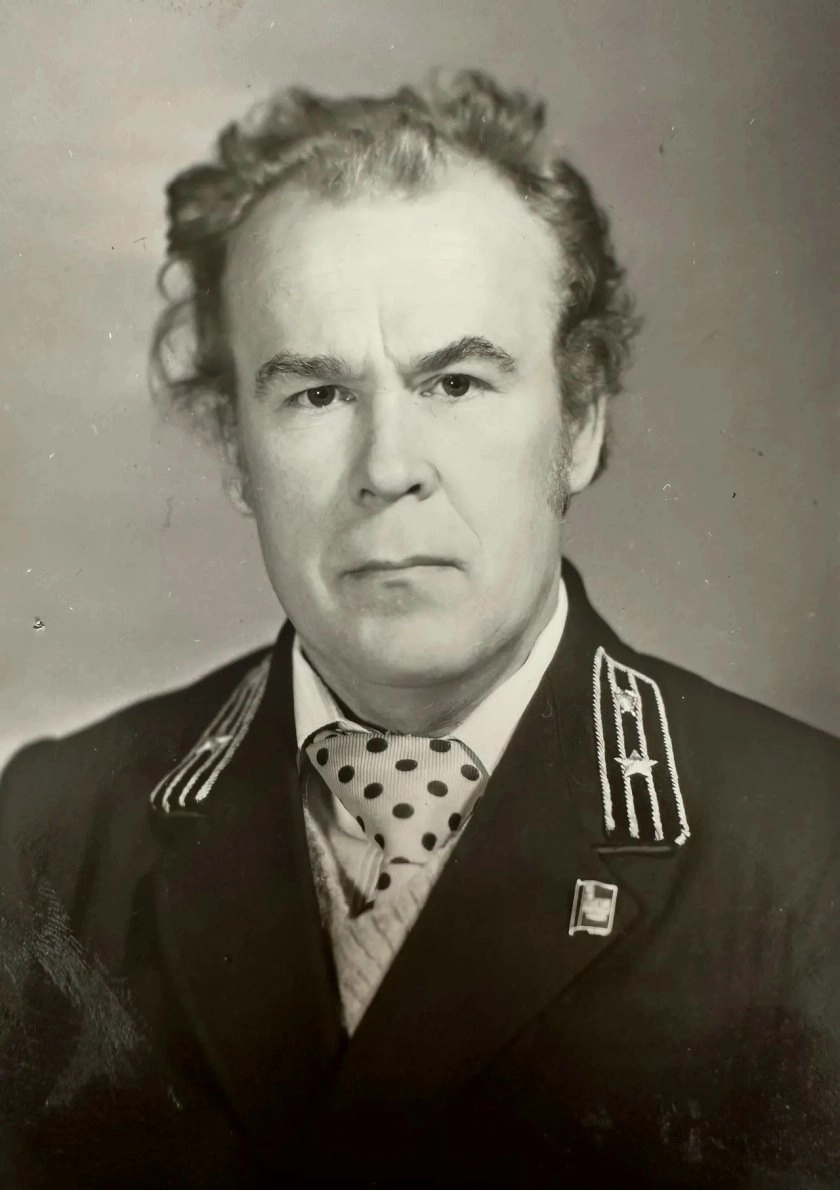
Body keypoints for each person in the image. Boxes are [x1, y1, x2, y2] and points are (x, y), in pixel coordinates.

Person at [1, 71, 838, 1188]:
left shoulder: (813, 854)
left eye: (456, 382)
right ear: (237, 450)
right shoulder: (46, 839)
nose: (388, 467)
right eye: (316, 395)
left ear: (581, 422)